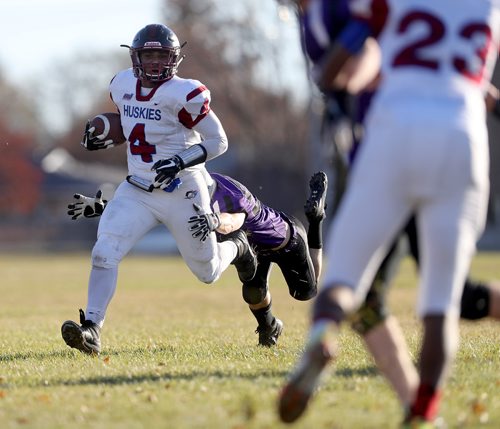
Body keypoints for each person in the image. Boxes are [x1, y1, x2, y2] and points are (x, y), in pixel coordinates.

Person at [278, 0, 500, 427]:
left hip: (390, 138)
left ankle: (323, 335)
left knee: (344, 280)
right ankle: (422, 412)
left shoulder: (348, 12)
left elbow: (359, 55)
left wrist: (330, 80)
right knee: (443, 303)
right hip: (462, 139)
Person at [60, 23, 258, 355]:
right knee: (104, 251)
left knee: (207, 271)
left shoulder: (185, 93)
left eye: (161, 56)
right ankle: (92, 328)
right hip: (137, 190)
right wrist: (101, 134)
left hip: (184, 190)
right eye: (148, 55)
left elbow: (218, 141)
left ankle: (238, 247)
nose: (153, 63)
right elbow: (134, 126)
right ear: (135, 58)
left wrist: (181, 160)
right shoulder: (121, 84)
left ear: (174, 58)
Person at [68, 170, 329, 347]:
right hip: (251, 245)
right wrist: (105, 207)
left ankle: (316, 219)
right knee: (252, 290)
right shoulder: (195, 186)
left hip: (284, 238)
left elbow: (234, 220)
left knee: (306, 292)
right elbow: (160, 209)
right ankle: (270, 327)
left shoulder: (225, 193)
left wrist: (214, 220)